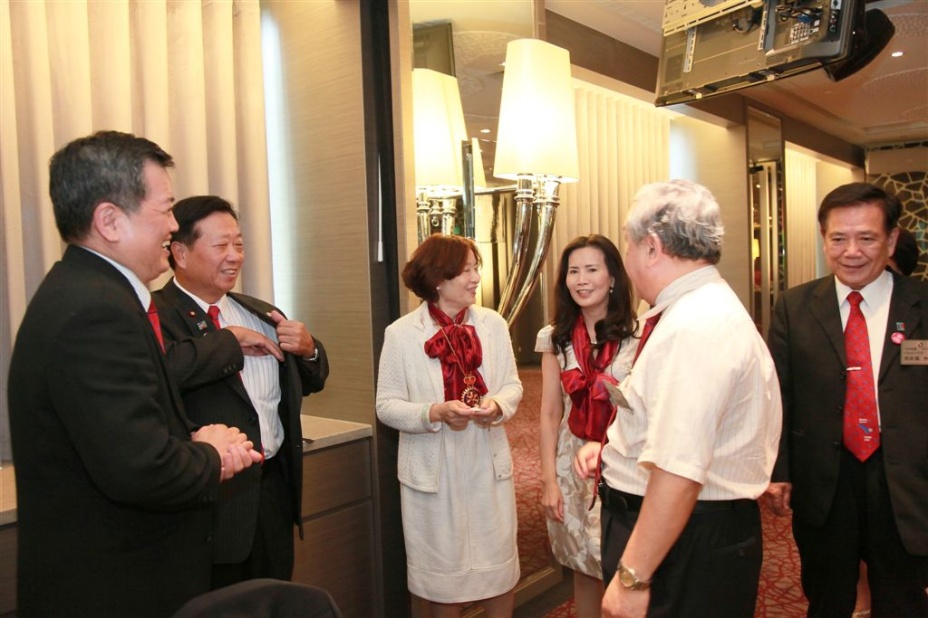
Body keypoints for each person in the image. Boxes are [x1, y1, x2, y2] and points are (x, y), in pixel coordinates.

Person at [7, 131, 262, 617]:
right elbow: (142, 469)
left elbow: (119, 434)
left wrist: (190, 440)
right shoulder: (95, 312)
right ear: (110, 221)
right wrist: (211, 453)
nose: (173, 225)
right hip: (114, 588)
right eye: (164, 209)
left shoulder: (88, 292)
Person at [575, 179, 782, 618]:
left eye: (628, 246)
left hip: (684, 540)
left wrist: (633, 577)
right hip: (689, 531)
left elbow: (679, 470)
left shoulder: (695, 327)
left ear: (651, 247)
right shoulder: (695, 309)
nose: (627, 259)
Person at [765, 182, 928, 618]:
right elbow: (779, 395)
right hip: (824, 480)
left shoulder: (922, 305)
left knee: (904, 601)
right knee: (827, 598)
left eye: (867, 238)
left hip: (906, 482)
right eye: (838, 239)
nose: (851, 252)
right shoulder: (795, 307)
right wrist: (778, 470)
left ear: (891, 240)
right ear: (824, 240)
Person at [154, 195, 329, 588]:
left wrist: (310, 350)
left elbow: (311, 381)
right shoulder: (155, 315)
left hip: (272, 492)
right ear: (180, 253)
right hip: (208, 504)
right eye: (221, 245)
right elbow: (163, 374)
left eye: (239, 244)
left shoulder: (258, 311)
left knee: (274, 602)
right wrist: (228, 342)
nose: (234, 256)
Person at [375, 234, 523, 617]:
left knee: (499, 572)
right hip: (433, 470)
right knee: (443, 582)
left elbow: (512, 385)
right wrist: (434, 412)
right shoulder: (401, 334)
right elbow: (386, 406)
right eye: (466, 271)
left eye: (476, 269)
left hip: (485, 460)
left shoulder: (493, 324)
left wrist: (496, 405)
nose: (476, 278)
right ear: (438, 279)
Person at [536, 235, 637, 617]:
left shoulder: (639, 334)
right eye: (573, 271)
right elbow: (549, 412)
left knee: (624, 566)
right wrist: (549, 480)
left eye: (592, 270)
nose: (581, 280)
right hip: (571, 463)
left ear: (612, 278)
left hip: (622, 459)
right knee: (581, 563)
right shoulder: (555, 337)